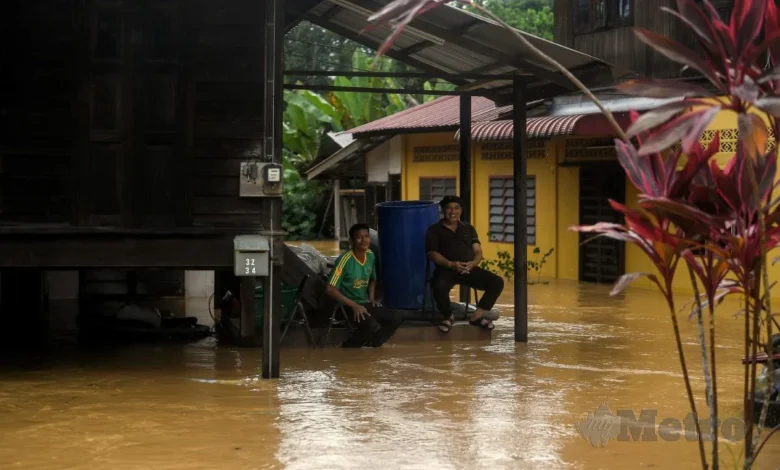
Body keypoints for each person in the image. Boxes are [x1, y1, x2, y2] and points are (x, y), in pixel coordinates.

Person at [425, 195, 504, 333]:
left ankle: (477, 317)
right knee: (438, 285)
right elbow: (432, 254)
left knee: (497, 282)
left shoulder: (468, 228)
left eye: (456, 208)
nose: (452, 211)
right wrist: (450, 264)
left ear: (461, 210)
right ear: (443, 210)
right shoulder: (433, 230)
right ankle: (448, 316)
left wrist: (473, 263)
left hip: (468, 269)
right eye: (449, 208)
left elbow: (478, 250)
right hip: (446, 269)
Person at [325, 223, 403, 347]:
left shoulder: (370, 255)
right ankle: (347, 348)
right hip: (346, 305)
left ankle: (372, 346)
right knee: (371, 325)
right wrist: (354, 305)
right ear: (352, 240)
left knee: (397, 317)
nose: (364, 240)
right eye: (359, 237)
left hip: (363, 302)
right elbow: (330, 288)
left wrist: (371, 299)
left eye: (366, 236)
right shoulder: (344, 260)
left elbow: (373, 279)